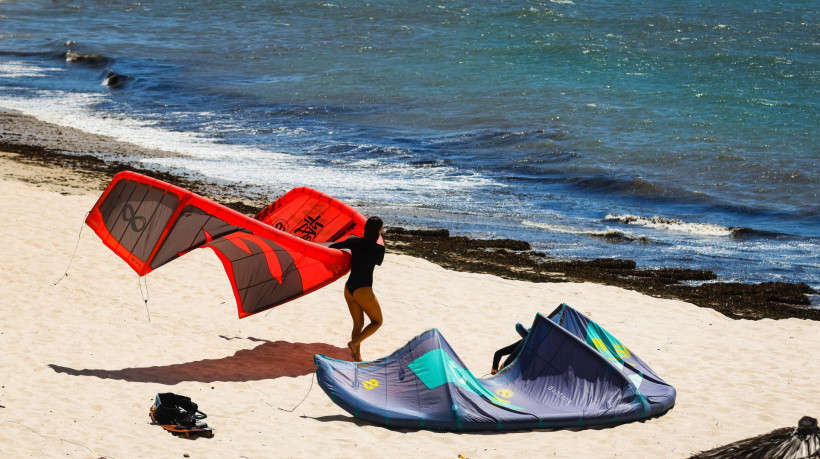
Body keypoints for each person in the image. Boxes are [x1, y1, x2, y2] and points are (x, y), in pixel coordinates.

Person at [329, 216, 385, 362]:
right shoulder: (379, 248)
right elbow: (379, 262)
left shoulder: (354, 242)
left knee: (358, 324)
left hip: (349, 288)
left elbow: (333, 247)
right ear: (379, 231)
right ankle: (354, 343)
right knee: (377, 322)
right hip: (363, 290)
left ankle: (357, 359)